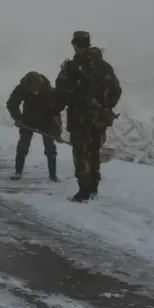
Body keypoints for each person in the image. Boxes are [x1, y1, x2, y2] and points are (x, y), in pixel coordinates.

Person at [51, 30, 122, 202]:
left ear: (74, 45)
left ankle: (84, 191)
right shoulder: (105, 66)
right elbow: (116, 91)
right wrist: (104, 108)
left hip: (80, 119)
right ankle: (93, 190)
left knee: (81, 154)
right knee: (94, 153)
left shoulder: (72, 67)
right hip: (99, 120)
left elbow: (61, 93)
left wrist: (54, 110)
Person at [6, 71, 62, 181]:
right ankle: (18, 172)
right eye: (31, 89)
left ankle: (53, 175)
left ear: (40, 85)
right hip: (28, 119)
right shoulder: (21, 88)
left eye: (36, 88)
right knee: (23, 144)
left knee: (50, 147)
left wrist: (57, 132)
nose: (34, 91)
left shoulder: (49, 90)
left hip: (47, 119)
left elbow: (55, 112)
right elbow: (11, 104)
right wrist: (18, 118)